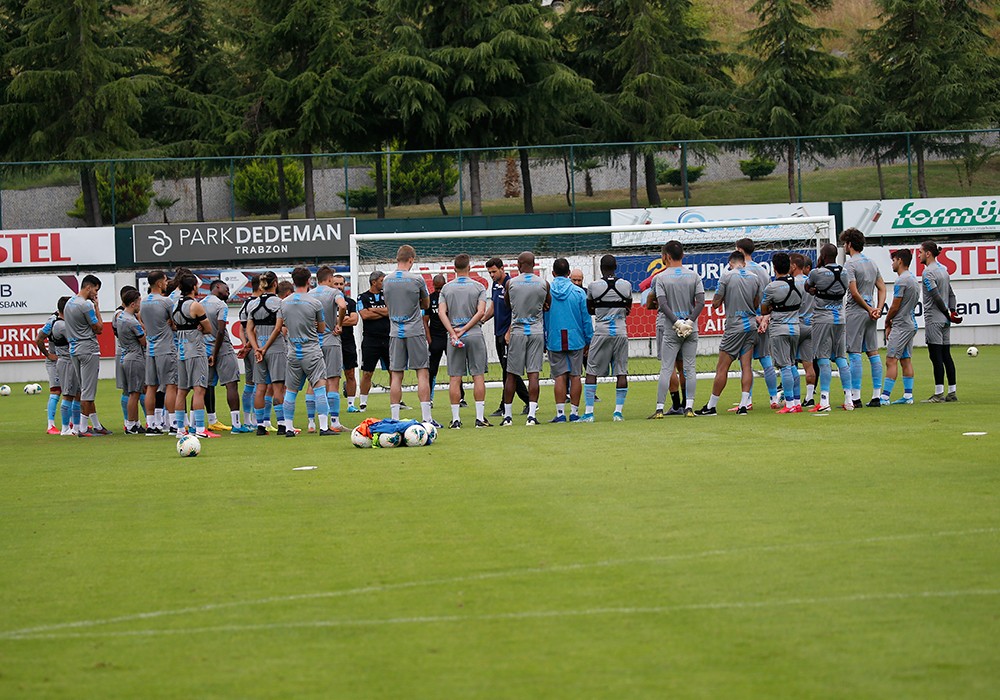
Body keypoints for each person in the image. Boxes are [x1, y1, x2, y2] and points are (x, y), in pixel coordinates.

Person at [695, 251, 762, 416]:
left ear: (730, 263)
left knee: (722, 367)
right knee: (746, 366)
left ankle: (711, 406)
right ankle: (744, 405)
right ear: (743, 263)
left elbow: (716, 304)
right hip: (751, 325)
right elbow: (756, 302)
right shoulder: (755, 277)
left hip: (735, 325)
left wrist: (726, 298)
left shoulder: (726, 276)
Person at [382, 245, 437, 425]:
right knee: (422, 372)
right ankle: (427, 418)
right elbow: (426, 304)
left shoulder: (387, 280)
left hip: (395, 332)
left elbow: (388, 304)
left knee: (396, 375)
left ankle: (395, 419)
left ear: (397, 259)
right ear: (411, 260)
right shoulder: (417, 279)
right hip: (414, 330)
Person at [649, 242, 703, 419]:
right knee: (689, 368)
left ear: (666, 257)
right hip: (690, 329)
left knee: (666, 368)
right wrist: (688, 321)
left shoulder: (661, 278)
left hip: (671, 328)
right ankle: (689, 408)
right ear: (683, 255)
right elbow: (701, 302)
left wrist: (677, 322)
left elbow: (662, 305)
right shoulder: (694, 276)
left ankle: (659, 409)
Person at [281, 267, 337, 437]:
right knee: (320, 387)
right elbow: (322, 328)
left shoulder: (284, 302)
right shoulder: (315, 303)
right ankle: (324, 427)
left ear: (293, 281)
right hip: (311, 351)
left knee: (290, 391)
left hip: (293, 352)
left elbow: (282, 327)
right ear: (308, 281)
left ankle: (289, 428)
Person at [438, 254, 491, 428]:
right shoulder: (478, 287)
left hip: (454, 336)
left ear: (454, 269)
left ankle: (456, 420)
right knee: (478, 375)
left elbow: (441, 313)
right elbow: (481, 312)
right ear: (470, 268)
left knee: (455, 377)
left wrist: (453, 332)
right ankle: (479, 418)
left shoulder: (446, 288)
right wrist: (466, 328)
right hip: (474, 333)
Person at [501, 251, 549, 426]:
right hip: (536, 331)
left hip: (518, 331)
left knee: (512, 374)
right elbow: (548, 303)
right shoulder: (543, 283)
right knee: (533, 374)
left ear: (519, 264)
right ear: (534, 264)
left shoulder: (511, 283)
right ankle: (531, 416)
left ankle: (507, 417)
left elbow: (507, 304)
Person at [841, 227, 886, 408]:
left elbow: (853, 291)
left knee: (854, 352)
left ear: (850, 244)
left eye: (845, 243)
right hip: (871, 312)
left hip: (857, 310)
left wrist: (868, 308)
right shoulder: (872, 263)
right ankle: (876, 396)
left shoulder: (850, 265)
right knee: (873, 352)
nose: (844, 246)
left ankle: (856, 397)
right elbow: (882, 288)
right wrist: (878, 308)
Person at [584, 254, 632, 422]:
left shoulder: (593, 286)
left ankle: (589, 413)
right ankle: (618, 413)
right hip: (620, 331)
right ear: (616, 267)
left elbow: (590, 309)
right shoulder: (626, 285)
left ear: (600, 268)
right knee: (621, 370)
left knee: (591, 370)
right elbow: (628, 308)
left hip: (602, 330)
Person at [805, 242, 853, 412]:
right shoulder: (845, 272)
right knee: (841, 358)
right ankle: (849, 399)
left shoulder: (816, 272)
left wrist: (815, 289)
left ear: (823, 256)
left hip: (822, 319)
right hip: (840, 318)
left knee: (823, 358)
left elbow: (807, 286)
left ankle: (824, 400)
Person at [544, 257, 592, 423]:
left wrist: (545, 338)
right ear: (569, 273)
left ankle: (559, 414)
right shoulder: (578, 293)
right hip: (576, 338)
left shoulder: (547, 292)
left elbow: (543, 317)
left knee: (559, 377)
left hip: (555, 337)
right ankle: (574, 413)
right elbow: (586, 319)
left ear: (553, 273)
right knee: (575, 375)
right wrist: (589, 339)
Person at [171, 274, 217, 439]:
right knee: (199, 389)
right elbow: (208, 329)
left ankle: (180, 430)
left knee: (181, 391)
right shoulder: (195, 306)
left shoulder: (175, 305)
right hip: (196, 350)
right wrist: (198, 327)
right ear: (194, 287)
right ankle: (199, 429)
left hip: (181, 351)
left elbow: (174, 326)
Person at [64, 274, 110, 435]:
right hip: (88, 349)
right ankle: (82, 428)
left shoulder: (69, 303)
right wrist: (97, 307)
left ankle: (96, 425)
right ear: (88, 287)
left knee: (85, 389)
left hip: (74, 349)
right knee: (88, 391)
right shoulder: (86, 305)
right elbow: (99, 328)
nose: (96, 294)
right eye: (95, 290)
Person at [736, 238, 779, 409]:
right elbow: (769, 296)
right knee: (765, 358)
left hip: (747, 320)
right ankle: (774, 398)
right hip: (764, 320)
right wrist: (764, 316)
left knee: (745, 362)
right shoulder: (762, 271)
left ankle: (747, 401)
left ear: (739, 250)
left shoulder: (738, 270)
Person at [484, 257, 530, 416]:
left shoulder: (510, 285)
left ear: (502, 268)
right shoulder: (495, 285)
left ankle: (524, 402)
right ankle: (514, 404)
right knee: (506, 370)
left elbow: (517, 311)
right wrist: (482, 320)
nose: (491, 275)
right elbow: (493, 307)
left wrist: (509, 331)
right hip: (498, 333)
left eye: (494, 271)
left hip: (508, 334)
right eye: (489, 272)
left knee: (509, 370)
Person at [760, 253, 804, 414]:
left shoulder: (772, 287)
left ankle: (790, 404)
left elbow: (764, 309)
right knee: (792, 365)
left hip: (779, 329)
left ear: (774, 267)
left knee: (784, 366)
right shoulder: (800, 283)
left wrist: (773, 307)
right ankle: (797, 401)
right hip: (795, 328)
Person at [204, 280, 250, 433]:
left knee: (205, 386)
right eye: (226, 288)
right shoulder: (221, 305)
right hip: (221, 349)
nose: (228, 291)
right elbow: (221, 330)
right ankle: (236, 425)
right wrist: (216, 354)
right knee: (231, 384)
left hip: (205, 349)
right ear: (217, 286)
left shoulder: (200, 303)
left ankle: (210, 421)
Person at [246, 271, 288, 435]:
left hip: (259, 350)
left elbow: (249, 330)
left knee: (260, 388)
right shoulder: (279, 303)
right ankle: (282, 425)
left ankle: (260, 426)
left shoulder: (252, 304)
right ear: (275, 283)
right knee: (278, 387)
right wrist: (265, 347)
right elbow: (278, 328)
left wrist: (257, 348)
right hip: (276, 349)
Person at [919, 241, 960, 403]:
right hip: (945, 321)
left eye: (921, 252)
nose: (919, 255)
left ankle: (938, 394)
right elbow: (951, 293)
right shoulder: (944, 270)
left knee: (935, 356)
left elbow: (936, 296)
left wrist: (947, 313)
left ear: (928, 253)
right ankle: (952, 392)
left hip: (934, 319)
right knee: (946, 355)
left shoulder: (928, 273)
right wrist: (953, 311)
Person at [311, 266, 348, 432]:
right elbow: (343, 306)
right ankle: (334, 422)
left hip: (313, 343)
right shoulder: (334, 293)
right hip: (330, 340)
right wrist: (339, 325)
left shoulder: (309, 294)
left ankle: (311, 423)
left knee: (313, 382)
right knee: (333, 380)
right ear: (330, 278)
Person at [880, 248, 919, 405]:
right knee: (905, 359)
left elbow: (895, 306)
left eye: (894, 260)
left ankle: (885, 397)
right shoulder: (913, 279)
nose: (892, 263)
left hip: (902, 325)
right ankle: (908, 396)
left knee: (891, 360)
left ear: (900, 261)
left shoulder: (901, 280)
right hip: (910, 322)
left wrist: (887, 320)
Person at [141, 271, 178, 435]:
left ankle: (151, 425)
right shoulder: (166, 301)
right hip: (166, 348)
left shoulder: (143, 302)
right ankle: (172, 423)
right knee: (171, 385)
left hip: (150, 348)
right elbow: (175, 323)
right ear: (158, 283)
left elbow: (142, 320)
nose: (166, 282)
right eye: (164, 280)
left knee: (151, 386)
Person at [357, 270, 390, 412]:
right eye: (382, 280)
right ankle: (363, 403)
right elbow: (364, 315)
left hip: (388, 338)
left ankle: (397, 401)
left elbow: (391, 311)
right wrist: (382, 312)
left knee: (393, 371)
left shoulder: (388, 295)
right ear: (374, 281)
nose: (384, 283)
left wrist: (374, 310)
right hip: (370, 340)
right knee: (367, 372)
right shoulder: (362, 297)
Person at [117, 289, 148, 433]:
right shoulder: (132, 321)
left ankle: (134, 423)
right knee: (134, 393)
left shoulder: (121, 317)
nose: (140, 304)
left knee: (132, 392)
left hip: (125, 355)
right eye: (139, 301)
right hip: (135, 357)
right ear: (133, 303)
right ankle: (131, 425)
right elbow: (143, 341)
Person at [35, 299, 67, 434]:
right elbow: (39, 338)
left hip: (66, 360)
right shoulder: (53, 321)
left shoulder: (70, 318)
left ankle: (71, 423)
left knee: (70, 392)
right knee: (56, 391)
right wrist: (48, 355)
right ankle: (51, 426)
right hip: (55, 361)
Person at [789, 253, 818, 407]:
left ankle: (794, 400)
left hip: (796, 325)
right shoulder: (811, 283)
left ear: (794, 266)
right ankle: (809, 397)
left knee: (790, 363)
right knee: (809, 364)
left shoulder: (791, 283)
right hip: (811, 325)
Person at [330, 274, 361, 412]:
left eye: (341, 284)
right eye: (336, 284)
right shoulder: (327, 302)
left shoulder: (351, 302)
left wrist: (335, 321)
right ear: (331, 284)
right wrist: (344, 319)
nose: (338, 287)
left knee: (350, 373)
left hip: (347, 342)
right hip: (330, 341)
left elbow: (354, 320)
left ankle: (350, 405)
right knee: (330, 375)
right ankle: (329, 405)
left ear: (345, 285)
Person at [236, 275, 261, 428]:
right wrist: (252, 345)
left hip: (249, 348)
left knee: (249, 383)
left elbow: (242, 328)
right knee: (261, 384)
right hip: (258, 347)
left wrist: (245, 345)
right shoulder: (258, 304)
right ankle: (260, 420)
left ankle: (247, 420)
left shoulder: (245, 304)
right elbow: (256, 328)